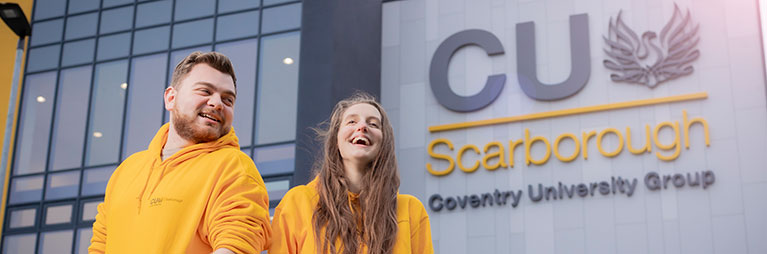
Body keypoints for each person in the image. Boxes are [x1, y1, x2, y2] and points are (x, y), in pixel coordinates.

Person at [89, 52, 271, 253]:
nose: (217, 103)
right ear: (171, 98)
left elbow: (237, 245)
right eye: (205, 91)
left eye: (228, 100)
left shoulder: (234, 167)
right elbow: (99, 245)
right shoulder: (126, 171)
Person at [270, 93, 434, 254]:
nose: (362, 127)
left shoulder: (411, 210)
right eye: (352, 121)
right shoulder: (298, 203)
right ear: (336, 139)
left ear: (384, 143)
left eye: (374, 124)